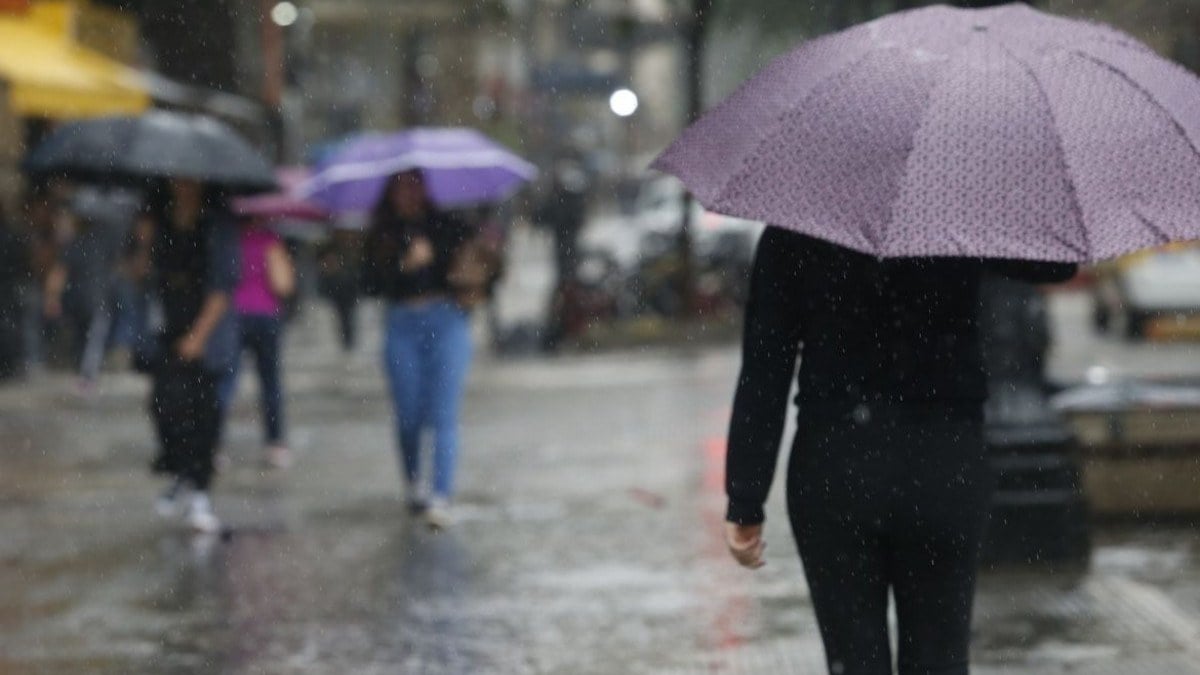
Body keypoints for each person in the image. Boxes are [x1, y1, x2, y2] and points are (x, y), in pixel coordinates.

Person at [723, 227, 1075, 675]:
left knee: (853, 658)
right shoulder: (953, 218)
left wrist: (745, 497)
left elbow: (764, 366)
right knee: (939, 657)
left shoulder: (796, 230)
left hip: (837, 465)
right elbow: (1057, 264)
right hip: (941, 464)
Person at [361, 170, 476, 529]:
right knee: (409, 414)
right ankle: (414, 482)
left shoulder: (450, 225)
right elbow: (369, 284)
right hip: (402, 323)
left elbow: (479, 267)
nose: (408, 193)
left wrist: (443, 259)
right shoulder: (381, 233)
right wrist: (403, 265)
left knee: (444, 413)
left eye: (415, 184)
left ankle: (441, 493)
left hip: (447, 320)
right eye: (401, 186)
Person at [145, 178, 239, 534]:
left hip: (207, 335)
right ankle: (182, 473)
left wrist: (199, 335)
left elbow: (222, 285)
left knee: (203, 415)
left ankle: (200, 490)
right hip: (168, 327)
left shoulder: (217, 224)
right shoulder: (160, 220)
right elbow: (146, 274)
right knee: (164, 406)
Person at [219, 216, 295, 468]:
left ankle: (214, 443)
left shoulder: (226, 237)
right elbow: (283, 285)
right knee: (270, 382)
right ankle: (275, 443)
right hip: (265, 316)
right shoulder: (269, 239)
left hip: (233, 315)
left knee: (226, 381)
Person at [316, 229, 361, 353]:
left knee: (347, 316)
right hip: (337, 288)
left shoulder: (349, 249)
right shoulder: (331, 248)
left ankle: (348, 340)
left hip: (348, 289)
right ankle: (346, 340)